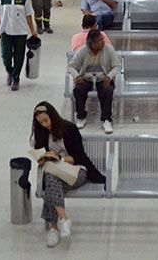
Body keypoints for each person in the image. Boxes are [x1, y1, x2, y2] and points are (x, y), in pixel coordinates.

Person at [30, 102, 106, 248]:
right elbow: (41, 157)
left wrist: (59, 158)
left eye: (46, 120)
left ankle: (54, 228)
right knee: (52, 179)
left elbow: (79, 157)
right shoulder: (42, 134)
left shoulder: (69, 128)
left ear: (52, 115)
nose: (44, 125)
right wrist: (42, 158)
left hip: (77, 171)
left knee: (51, 183)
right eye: (40, 123)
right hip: (54, 173)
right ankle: (62, 221)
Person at [68, 30, 119, 134]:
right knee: (78, 90)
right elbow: (71, 66)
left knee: (108, 91)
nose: (103, 41)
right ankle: (81, 117)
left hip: (103, 77)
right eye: (100, 40)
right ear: (92, 43)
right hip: (86, 77)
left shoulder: (108, 49)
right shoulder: (83, 50)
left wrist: (109, 76)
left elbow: (117, 66)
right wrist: (77, 76)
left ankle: (106, 119)